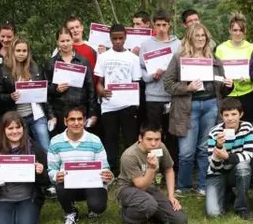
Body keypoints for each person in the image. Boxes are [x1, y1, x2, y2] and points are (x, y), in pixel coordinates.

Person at [163, 23, 233, 195]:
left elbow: (222, 89)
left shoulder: (214, 60)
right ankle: (184, 187)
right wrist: (186, 88)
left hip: (210, 106)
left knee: (204, 149)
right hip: (188, 108)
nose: (201, 39)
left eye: (203, 36)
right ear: (190, 38)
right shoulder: (179, 58)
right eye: (197, 36)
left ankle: (203, 185)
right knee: (186, 151)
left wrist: (229, 86)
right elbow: (167, 84)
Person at [0, 111, 49, 224]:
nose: (15, 131)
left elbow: (47, 179)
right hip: (4, 198)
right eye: (10, 128)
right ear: (3, 130)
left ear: (23, 128)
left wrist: (41, 171)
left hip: (28, 197)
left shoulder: (33, 147)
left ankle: (28, 212)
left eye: (18, 127)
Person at [47, 106, 114, 224]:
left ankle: (93, 209)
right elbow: (51, 169)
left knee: (98, 206)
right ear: (65, 121)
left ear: (84, 121)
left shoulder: (95, 140)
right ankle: (70, 212)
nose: (76, 123)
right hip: (68, 185)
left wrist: (107, 175)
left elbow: (105, 167)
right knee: (59, 184)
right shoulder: (55, 141)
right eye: (72, 119)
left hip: (91, 185)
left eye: (80, 119)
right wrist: (56, 175)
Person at [116, 124, 187, 224]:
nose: (154, 143)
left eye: (157, 139)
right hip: (128, 189)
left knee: (179, 220)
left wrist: (171, 196)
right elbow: (141, 186)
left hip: (150, 189)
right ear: (140, 138)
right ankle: (125, 215)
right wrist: (152, 168)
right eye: (149, 139)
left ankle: (148, 214)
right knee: (149, 204)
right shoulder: (129, 155)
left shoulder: (161, 147)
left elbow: (169, 169)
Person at [94, 23, 142, 174]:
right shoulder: (103, 57)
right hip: (109, 105)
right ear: (110, 39)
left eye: (121, 38)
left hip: (128, 105)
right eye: (115, 38)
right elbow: (98, 82)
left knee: (130, 139)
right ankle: (112, 171)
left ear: (126, 38)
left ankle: (131, 169)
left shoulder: (132, 58)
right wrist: (101, 90)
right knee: (110, 138)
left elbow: (136, 83)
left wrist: (136, 103)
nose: (118, 41)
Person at [139, 9, 181, 167]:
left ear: (169, 25)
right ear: (153, 25)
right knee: (154, 135)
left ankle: (170, 167)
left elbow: (183, 67)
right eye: (158, 25)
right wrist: (151, 76)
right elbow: (141, 69)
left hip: (172, 96)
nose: (161, 28)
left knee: (172, 134)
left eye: (164, 24)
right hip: (153, 96)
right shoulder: (146, 44)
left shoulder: (178, 44)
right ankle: (155, 167)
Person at [0, 38, 53, 151]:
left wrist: (51, 115)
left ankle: (45, 168)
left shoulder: (35, 68)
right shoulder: (5, 70)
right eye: (18, 51)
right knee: (21, 150)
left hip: (36, 115)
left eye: (24, 51)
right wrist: (10, 97)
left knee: (45, 148)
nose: (21, 54)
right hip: (16, 118)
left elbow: (45, 94)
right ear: (12, 51)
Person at [205, 98, 253, 220]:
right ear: (222, 116)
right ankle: (227, 194)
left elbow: (248, 155)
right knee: (214, 214)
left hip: (236, 170)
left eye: (234, 114)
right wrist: (218, 147)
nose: (230, 118)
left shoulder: (247, 128)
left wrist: (227, 156)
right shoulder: (214, 133)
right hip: (216, 174)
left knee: (243, 166)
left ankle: (241, 207)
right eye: (226, 115)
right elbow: (213, 167)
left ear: (241, 114)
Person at [46, 26, 97, 136]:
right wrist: (56, 89)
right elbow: (45, 91)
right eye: (62, 41)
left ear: (72, 40)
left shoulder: (83, 61)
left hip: (80, 109)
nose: (65, 44)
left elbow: (91, 88)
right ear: (57, 42)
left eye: (68, 40)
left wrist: (92, 112)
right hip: (60, 110)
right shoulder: (51, 63)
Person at [216, 12, 253, 122]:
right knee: (230, 129)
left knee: (248, 126)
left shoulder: (252, 48)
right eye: (235, 30)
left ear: (245, 31)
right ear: (230, 31)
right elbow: (217, 74)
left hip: (247, 93)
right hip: (229, 94)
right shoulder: (221, 48)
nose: (238, 33)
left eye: (241, 30)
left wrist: (248, 79)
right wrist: (224, 81)